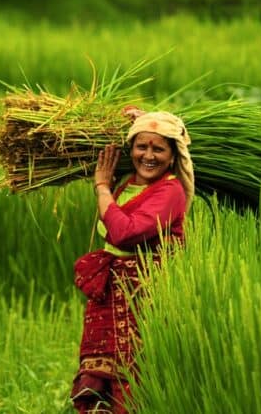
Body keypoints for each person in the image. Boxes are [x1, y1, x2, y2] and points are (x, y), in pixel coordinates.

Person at [70, 108, 194, 413]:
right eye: (141, 146)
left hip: (142, 301)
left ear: (173, 155)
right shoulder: (125, 184)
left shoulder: (171, 191)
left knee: (135, 382)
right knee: (103, 386)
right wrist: (135, 121)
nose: (148, 155)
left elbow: (124, 233)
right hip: (110, 300)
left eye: (158, 148)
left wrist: (101, 187)